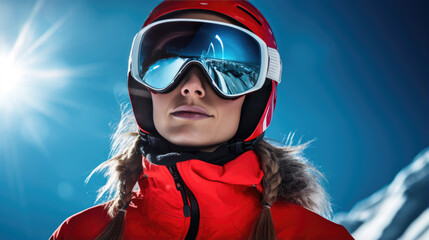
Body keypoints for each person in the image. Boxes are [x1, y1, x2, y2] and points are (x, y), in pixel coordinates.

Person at [50, 0, 354, 239]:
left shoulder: (317, 237)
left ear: (258, 96)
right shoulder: (79, 234)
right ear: (142, 87)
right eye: (166, 64)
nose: (191, 86)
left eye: (229, 70)